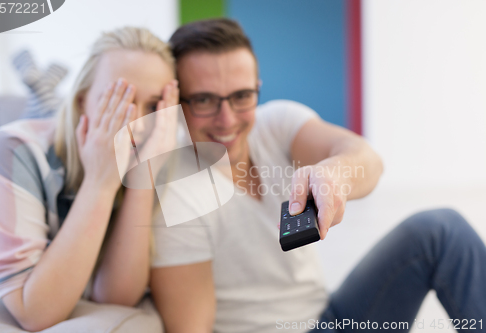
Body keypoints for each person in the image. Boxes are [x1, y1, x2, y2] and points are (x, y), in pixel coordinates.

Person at [149, 19, 486, 333]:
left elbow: (368, 159)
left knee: (441, 229)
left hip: (328, 318)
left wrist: (335, 173)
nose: (227, 119)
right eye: (205, 100)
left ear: (257, 88)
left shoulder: (276, 124)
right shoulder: (175, 194)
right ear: (177, 102)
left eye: (241, 96)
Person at [0, 27, 178, 331]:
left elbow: (116, 296)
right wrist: (100, 184)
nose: (139, 127)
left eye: (154, 107)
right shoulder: (11, 150)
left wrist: (143, 179)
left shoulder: (155, 155)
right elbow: (34, 311)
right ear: (80, 102)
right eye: (119, 101)